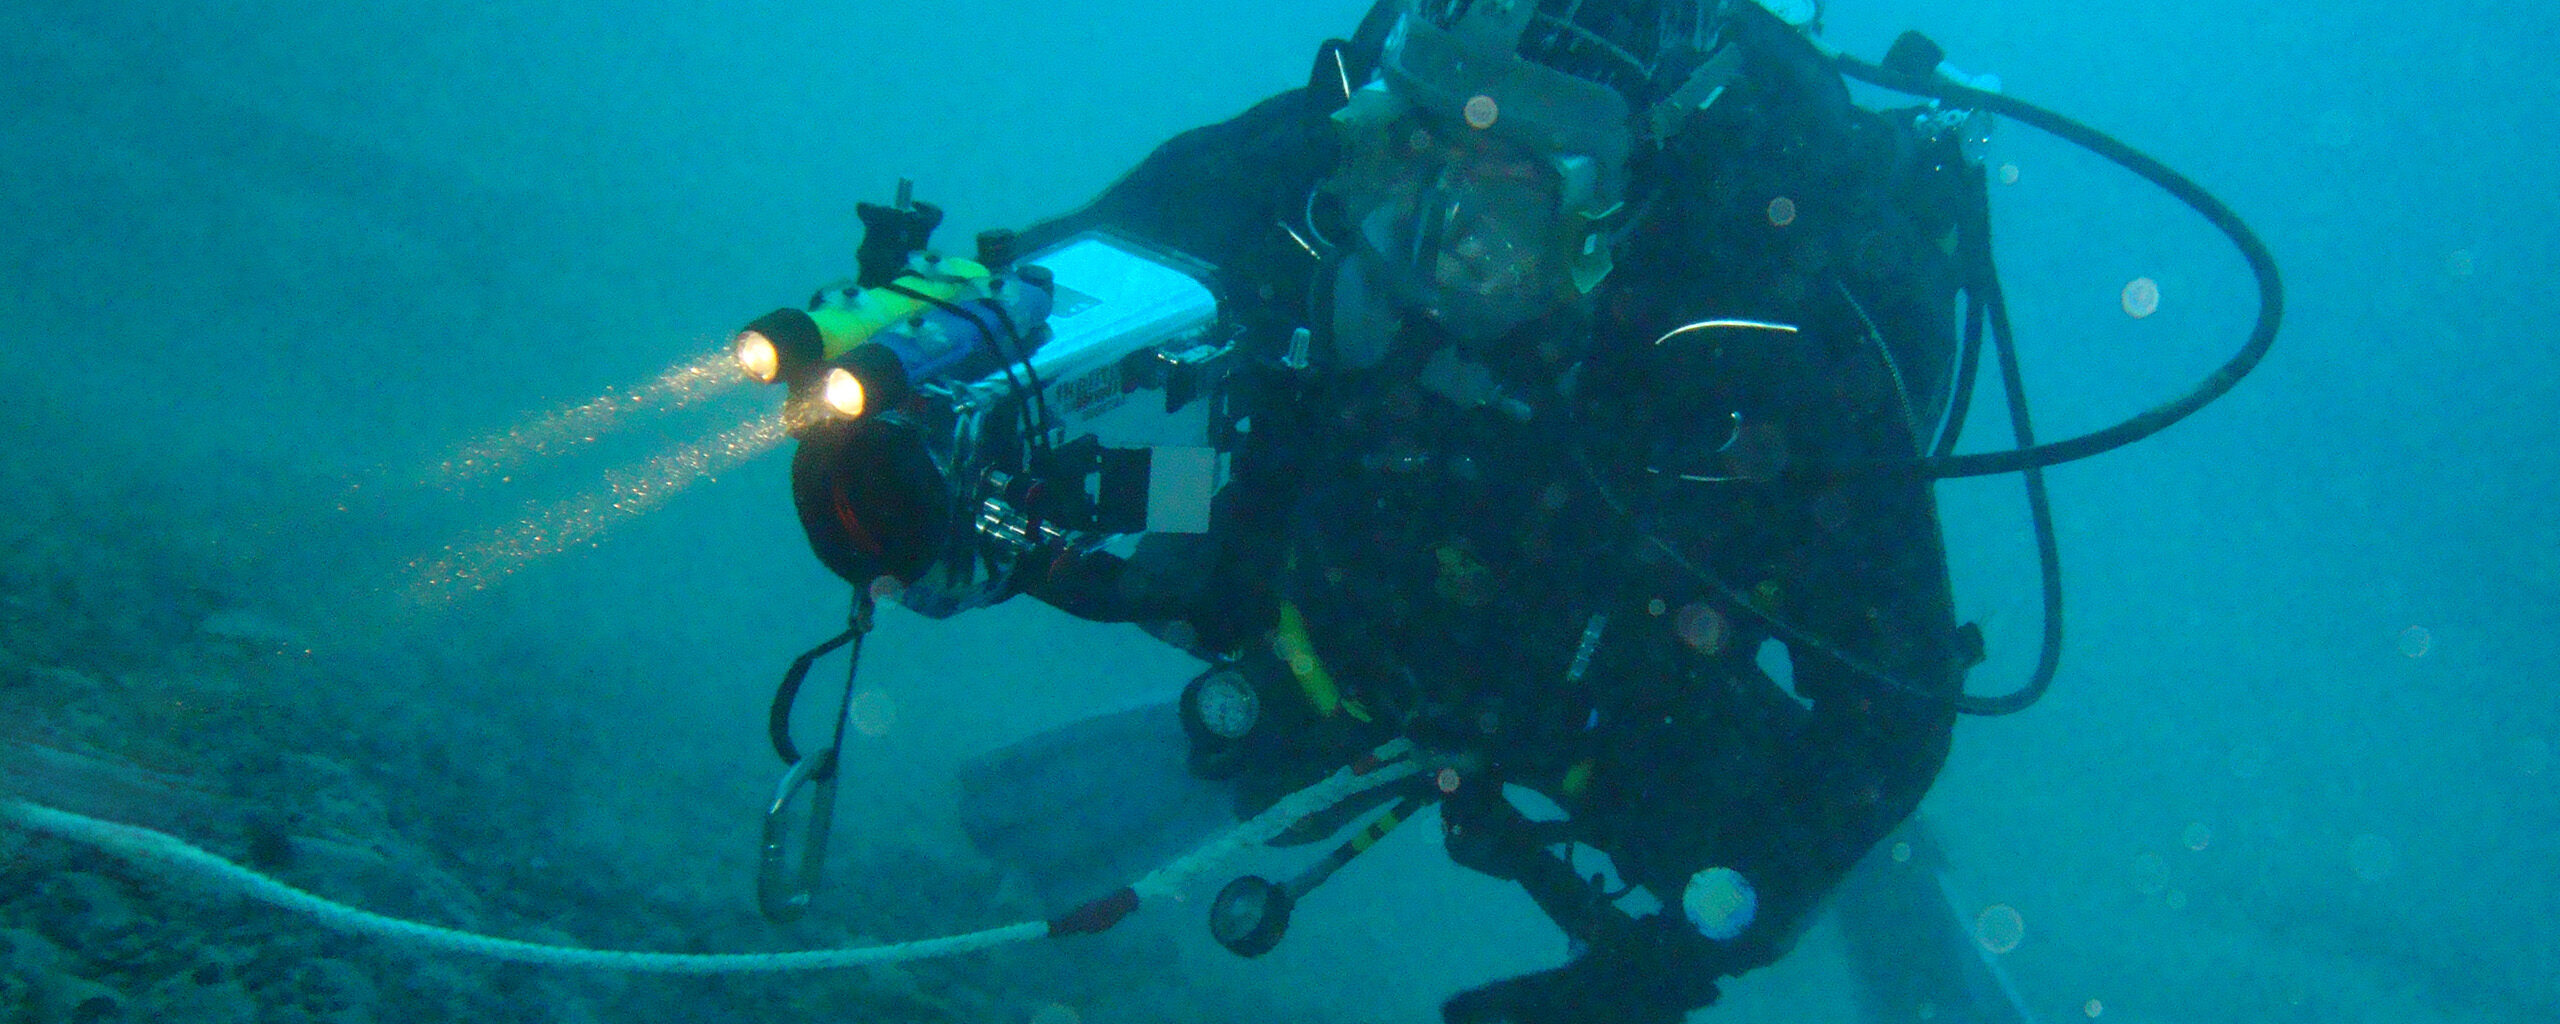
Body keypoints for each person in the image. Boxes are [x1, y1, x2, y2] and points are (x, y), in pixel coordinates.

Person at [808, 1, 1985, 1021]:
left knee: (1740, 818)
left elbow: (1892, 702)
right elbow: (1099, 265)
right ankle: (1308, 698)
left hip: (1616, 660)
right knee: (1250, 512)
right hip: (1382, 569)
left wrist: (1677, 961)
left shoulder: (1785, 335)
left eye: (1498, 200)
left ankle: (1878, 896)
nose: (1432, 235)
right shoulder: (1337, 141)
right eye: (1405, 155)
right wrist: (934, 367)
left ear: (1610, 204)